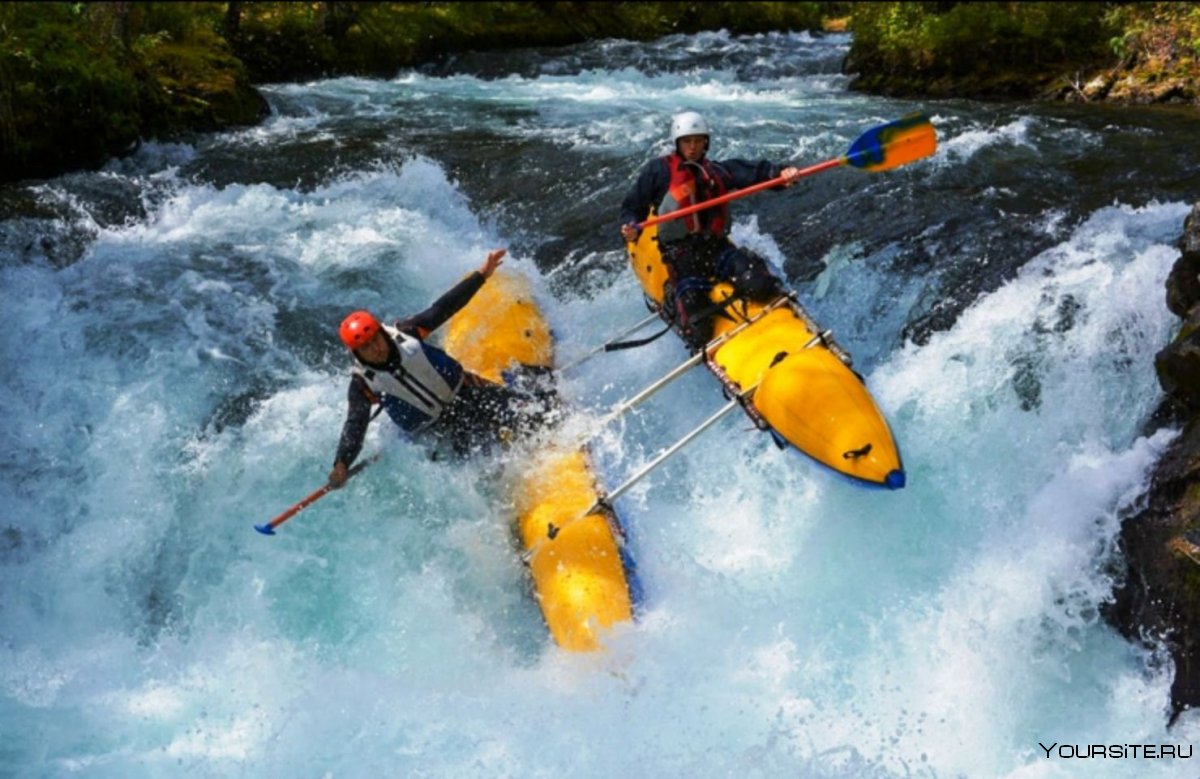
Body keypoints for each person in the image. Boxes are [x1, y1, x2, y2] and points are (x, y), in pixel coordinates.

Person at [328, 249, 549, 488]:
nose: (375, 349)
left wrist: (482, 274)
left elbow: (445, 307)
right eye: (366, 348)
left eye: (375, 340)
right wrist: (341, 464)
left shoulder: (408, 332)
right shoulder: (362, 384)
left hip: (468, 394)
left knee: (535, 414)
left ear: (382, 333)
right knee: (488, 473)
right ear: (356, 353)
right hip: (438, 431)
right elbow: (355, 425)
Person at [619, 110, 803, 350]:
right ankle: (675, 299)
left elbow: (756, 173)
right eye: (687, 141)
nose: (693, 147)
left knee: (762, 286)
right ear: (677, 143)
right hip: (682, 255)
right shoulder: (659, 171)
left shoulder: (717, 171)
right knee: (698, 329)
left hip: (716, 248)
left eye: (698, 141)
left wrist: (782, 173)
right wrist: (631, 226)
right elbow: (633, 206)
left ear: (706, 142)